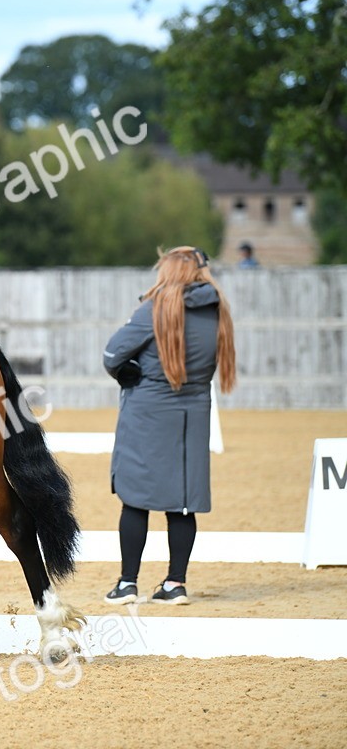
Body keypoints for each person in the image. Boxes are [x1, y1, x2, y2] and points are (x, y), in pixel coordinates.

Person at [102, 247, 237, 606]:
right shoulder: (217, 311)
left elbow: (112, 353)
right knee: (182, 504)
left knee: (135, 500)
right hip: (193, 414)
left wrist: (126, 370)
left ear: (170, 271)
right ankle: (175, 583)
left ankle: (127, 583)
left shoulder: (155, 307)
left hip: (147, 413)